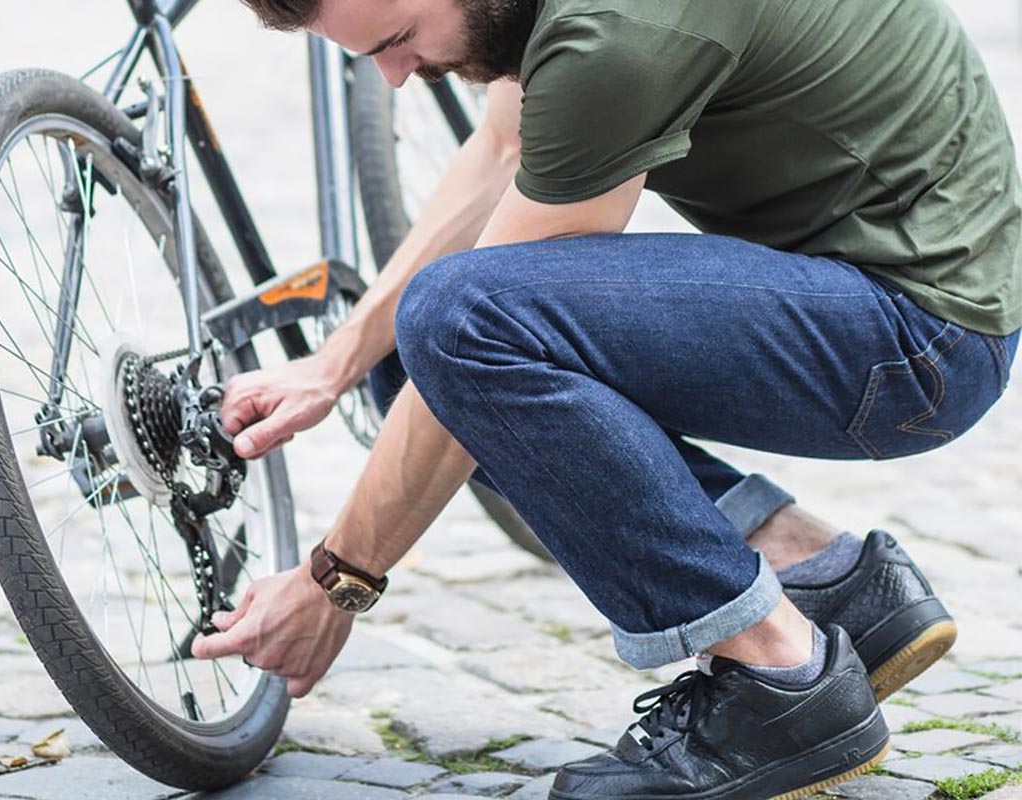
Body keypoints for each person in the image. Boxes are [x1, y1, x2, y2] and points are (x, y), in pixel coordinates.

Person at [191, 0, 1022, 796]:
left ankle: (776, 676)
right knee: (408, 354)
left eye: (399, 39)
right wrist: (334, 362)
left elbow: (474, 331)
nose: (396, 79)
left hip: (919, 338)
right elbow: (505, 148)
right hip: (885, 285)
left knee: (454, 328)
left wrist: (335, 581)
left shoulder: (613, 32)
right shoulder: (533, 11)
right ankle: (818, 578)